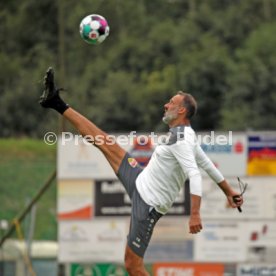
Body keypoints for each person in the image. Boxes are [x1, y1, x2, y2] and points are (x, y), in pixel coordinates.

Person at [39, 67, 243, 276]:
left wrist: (195, 214)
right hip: (140, 178)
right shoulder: (184, 134)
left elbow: (196, 174)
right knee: (104, 141)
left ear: (182, 111)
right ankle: (56, 102)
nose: (166, 104)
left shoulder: (183, 139)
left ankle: (55, 102)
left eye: (171, 102)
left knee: (133, 266)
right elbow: (207, 165)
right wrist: (228, 191)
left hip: (148, 204)